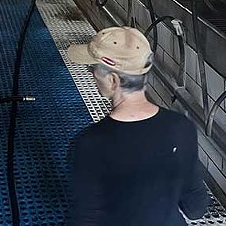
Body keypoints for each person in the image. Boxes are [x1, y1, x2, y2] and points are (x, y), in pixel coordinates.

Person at [66, 26, 209, 225]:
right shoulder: (181, 127)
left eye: (93, 69)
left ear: (113, 80)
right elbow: (196, 207)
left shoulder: (89, 143)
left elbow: (85, 219)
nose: (91, 75)